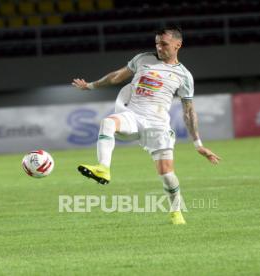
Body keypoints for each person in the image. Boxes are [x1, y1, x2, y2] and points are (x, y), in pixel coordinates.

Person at [72, 27, 221, 225]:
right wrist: (90, 85)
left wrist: (198, 144)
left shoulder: (184, 76)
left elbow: (188, 111)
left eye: (164, 44)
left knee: (167, 176)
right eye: (157, 43)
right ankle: (103, 168)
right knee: (108, 122)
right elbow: (117, 76)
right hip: (132, 115)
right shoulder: (143, 59)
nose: (159, 47)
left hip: (157, 126)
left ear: (178, 44)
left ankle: (176, 212)